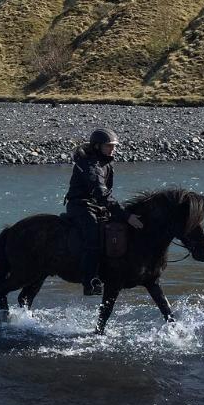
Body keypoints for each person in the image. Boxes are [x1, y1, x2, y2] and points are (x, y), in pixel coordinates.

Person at [65, 127, 144, 296]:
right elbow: (101, 192)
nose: (113, 149)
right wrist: (126, 215)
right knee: (93, 234)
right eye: (109, 146)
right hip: (80, 206)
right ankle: (89, 281)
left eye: (114, 146)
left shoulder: (106, 161)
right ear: (96, 146)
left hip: (97, 205)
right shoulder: (90, 165)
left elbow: (105, 195)